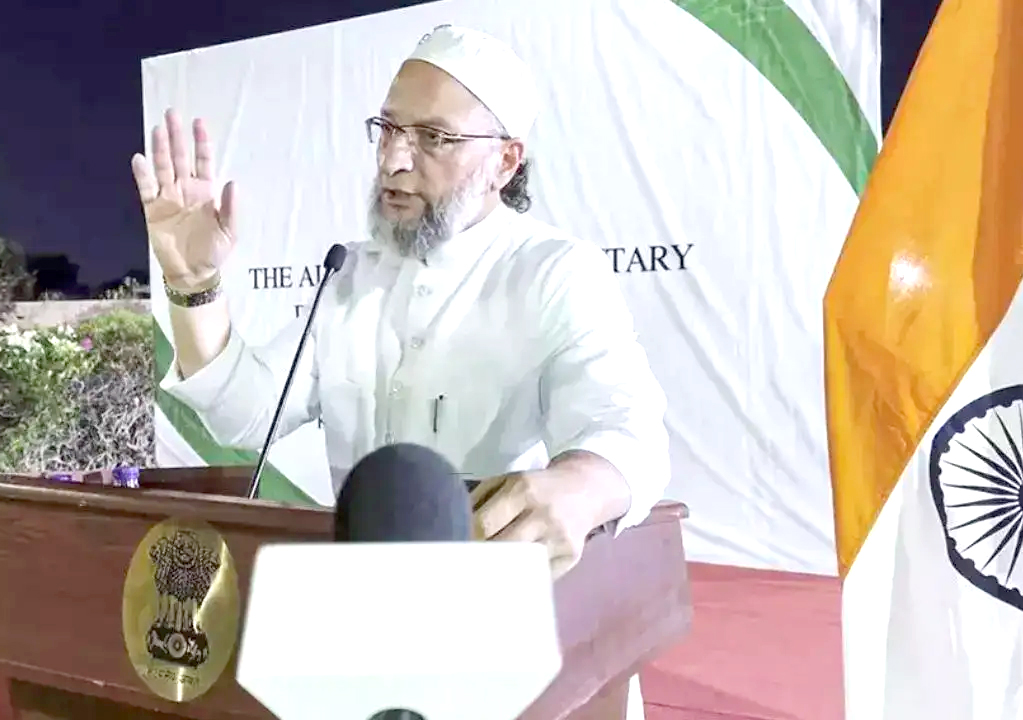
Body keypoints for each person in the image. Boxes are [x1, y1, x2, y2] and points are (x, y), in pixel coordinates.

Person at [134, 25, 671, 579]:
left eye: (433, 137)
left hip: (490, 594)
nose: (392, 160)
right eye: (388, 129)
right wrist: (194, 283)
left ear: (505, 162)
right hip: (353, 592)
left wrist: (580, 486)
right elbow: (243, 416)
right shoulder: (351, 275)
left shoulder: (554, 272)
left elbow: (628, 430)